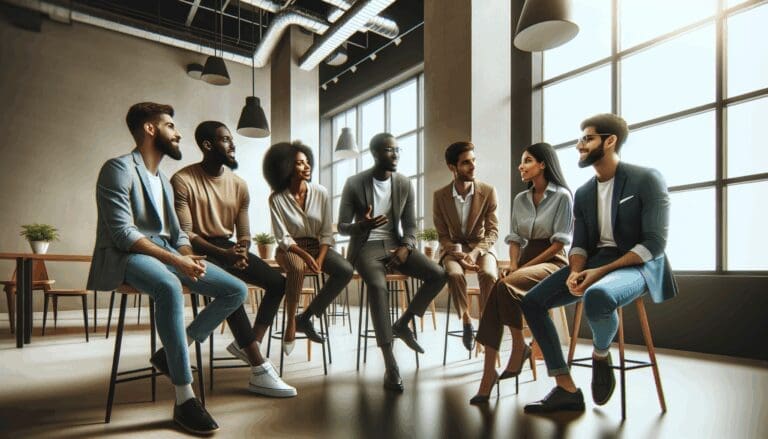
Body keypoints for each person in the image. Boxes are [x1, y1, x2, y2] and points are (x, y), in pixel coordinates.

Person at [87, 103, 247, 434]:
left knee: (236, 290)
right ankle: (184, 399)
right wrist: (176, 261)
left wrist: (189, 257)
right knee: (169, 286)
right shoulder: (117, 169)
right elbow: (123, 233)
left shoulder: (162, 179)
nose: (178, 133)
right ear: (150, 129)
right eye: (170, 125)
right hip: (125, 255)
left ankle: (174, 350)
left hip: (165, 253)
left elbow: (177, 236)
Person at [521, 113, 677, 413]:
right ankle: (565, 388)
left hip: (639, 264)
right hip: (595, 263)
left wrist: (598, 273)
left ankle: (601, 354)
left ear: (610, 141)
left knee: (599, 295)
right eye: (580, 138)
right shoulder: (583, 192)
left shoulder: (647, 179)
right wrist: (576, 271)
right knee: (532, 302)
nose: (580, 144)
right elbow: (580, 243)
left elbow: (655, 243)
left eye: (587, 138)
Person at [171, 121, 296, 397]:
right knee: (233, 291)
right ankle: (258, 366)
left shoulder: (239, 184)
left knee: (278, 283)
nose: (232, 144)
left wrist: (240, 250)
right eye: (225, 140)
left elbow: (245, 232)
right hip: (200, 251)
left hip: (229, 247)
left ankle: (247, 344)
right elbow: (187, 233)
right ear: (207, 145)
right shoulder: (182, 180)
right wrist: (225, 255)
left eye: (231, 139)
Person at [338, 132, 447, 392]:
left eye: (398, 150)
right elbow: (341, 227)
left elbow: (410, 225)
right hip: (366, 247)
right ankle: (391, 365)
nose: (395, 154)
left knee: (439, 274)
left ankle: (403, 323)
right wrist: (362, 225)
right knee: (377, 287)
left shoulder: (404, 184)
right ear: (375, 153)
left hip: (396, 244)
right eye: (389, 150)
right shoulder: (354, 183)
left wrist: (407, 247)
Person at [470, 142, 573, 404]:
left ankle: (509, 355)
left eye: (527, 160)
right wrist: (515, 265)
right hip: (525, 262)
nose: (521, 165)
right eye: (521, 160)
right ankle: (497, 364)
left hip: (553, 262)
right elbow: (515, 239)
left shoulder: (562, 196)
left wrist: (523, 268)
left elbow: (559, 244)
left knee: (503, 286)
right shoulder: (520, 199)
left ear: (542, 164)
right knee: (502, 287)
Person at [264, 141, 354, 354]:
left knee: (345, 270)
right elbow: (283, 237)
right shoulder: (276, 198)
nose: (307, 167)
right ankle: (291, 323)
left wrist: (321, 258)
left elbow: (325, 231)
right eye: (299, 163)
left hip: (317, 247)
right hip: (290, 249)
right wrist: (304, 255)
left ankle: (305, 317)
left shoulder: (320, 192)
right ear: (286, 167)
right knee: (297, 269)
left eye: (307, 162)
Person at [433, 141, 499, 351]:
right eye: (466, 163)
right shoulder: (440, 196)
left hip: (482, 246)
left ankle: (487, 323)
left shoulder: (488, 191)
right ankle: (466, 321)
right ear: (452, 167)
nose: (472, 167)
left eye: (473, 161)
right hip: (454, 249)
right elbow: (442, 235)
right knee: (453, 275)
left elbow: (493, 231)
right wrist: (457, 251)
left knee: (489, 275)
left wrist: (477, 251)